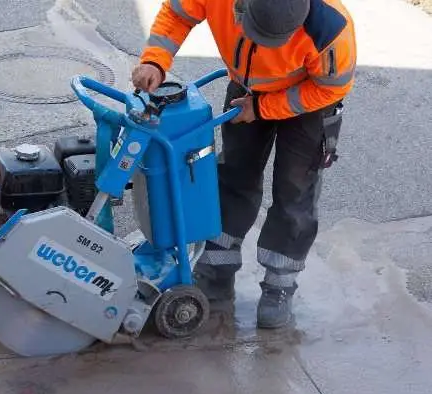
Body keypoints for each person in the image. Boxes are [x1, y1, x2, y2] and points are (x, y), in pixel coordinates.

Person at [132, 0, 356, 328]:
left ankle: (279, 287)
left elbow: (331, 87)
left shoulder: (331, 29)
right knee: (233, 177)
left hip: (307, 102)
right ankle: (216, 272)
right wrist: (155, 60)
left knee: (295, 191)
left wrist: (265, 108)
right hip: (245, 88)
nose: (265, 45)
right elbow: (178, 14)